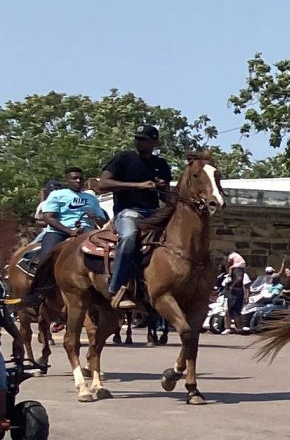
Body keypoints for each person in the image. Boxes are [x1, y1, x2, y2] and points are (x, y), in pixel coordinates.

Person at [97, 121, 174, 306]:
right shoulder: (123, 159)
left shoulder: (161, 164)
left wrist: (164, 188)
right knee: (129, 236)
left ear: (154, 142)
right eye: (137, 139)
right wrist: (137, 185)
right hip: (128, 212)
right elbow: (102, 185)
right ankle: (117, 286)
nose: (139, 142)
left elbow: (168, 198)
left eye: (144, 140)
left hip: (155, 213)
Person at [15, 169, 105, 287]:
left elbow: (103, 220)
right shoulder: (57, 195)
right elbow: (48, 217)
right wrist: (69, 231)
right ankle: (39, 291)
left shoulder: (91, 198)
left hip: (87, 234)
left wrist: (95, 217)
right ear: (67, 180)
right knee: (46, 259)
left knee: (108, 256)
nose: (78, 181)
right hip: (59, 233)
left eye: (80, 178)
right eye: (74, 178)